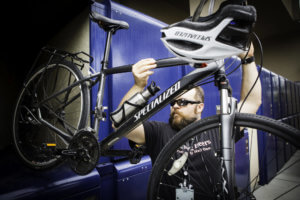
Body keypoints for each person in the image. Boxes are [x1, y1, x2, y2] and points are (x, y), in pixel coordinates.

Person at [116, 44, 261, 199]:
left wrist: (249, 59)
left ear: (199, 107)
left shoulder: (216, 129)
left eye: (183, 102)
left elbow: (252, 102)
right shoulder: (158, 132)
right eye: (173, 103)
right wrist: (138, 86)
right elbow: (121, 125)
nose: (175, 106)